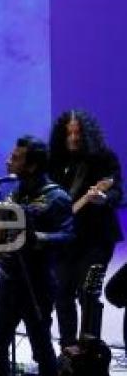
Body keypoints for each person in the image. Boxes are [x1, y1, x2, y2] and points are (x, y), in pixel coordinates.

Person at [0, 136, 73, 376]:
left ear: (32, 165)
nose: (9, 160)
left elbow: (69, 236)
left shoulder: (57, 197)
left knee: (41, 350)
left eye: (16, 157)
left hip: (38, 282)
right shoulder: (16, 193)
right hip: (9, 278)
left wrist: (40, 238)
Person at [48, 110, 123, 349]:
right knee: (62, 294)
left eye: (78, 133)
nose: (73, 138)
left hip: (96, 239)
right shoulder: (54, 161)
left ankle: (89, 354)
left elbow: (116, 190)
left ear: (87, 134)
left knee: (87, 293)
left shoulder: (104, 158)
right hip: (65, 240)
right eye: (68, 133)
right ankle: (68, 351)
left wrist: (104, 197)